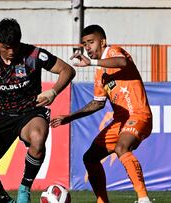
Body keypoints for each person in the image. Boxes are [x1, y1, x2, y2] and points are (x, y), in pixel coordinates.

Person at [0, 18, 75, 203]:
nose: (12, 51)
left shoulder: (34, 54)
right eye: (6, 47)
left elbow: (67, 70)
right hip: (0, 116)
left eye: (15, 45)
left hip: (30, 112)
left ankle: (24, 189)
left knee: (38, 137)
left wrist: (53, 91)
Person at [51, 25, 153, 203]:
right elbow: (97, 103)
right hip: (119, 122)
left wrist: (91, 62)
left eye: (91, 42)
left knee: (122, 148)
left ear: (103, 42)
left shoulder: (114, 52)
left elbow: (122, 62)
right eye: (84, 44)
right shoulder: (100, 73)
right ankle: (102, 201)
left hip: (138, 114)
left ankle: (143, 199)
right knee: (90, 158)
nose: (87, 47)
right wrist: (69, 117)